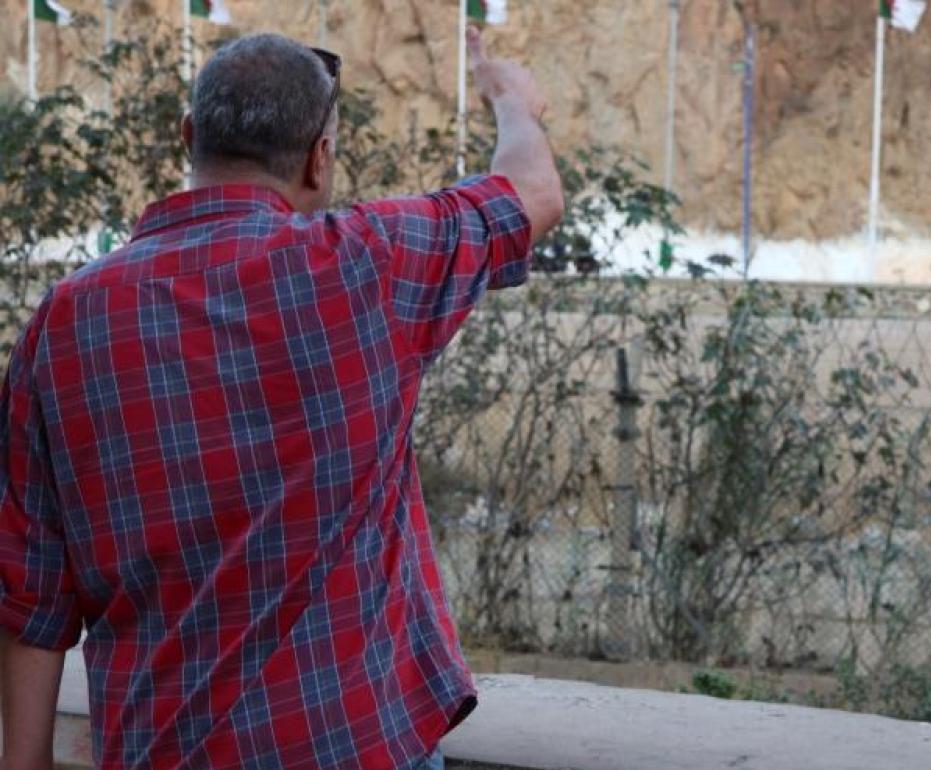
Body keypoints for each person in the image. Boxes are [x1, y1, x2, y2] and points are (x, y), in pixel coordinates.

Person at [0, 28, 562, 770]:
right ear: (319, 158)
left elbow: (29, 591)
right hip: (348, 747)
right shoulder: (367, 265)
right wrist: (510, 100)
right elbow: (533, 194)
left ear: (189, 137)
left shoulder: (67, 319)